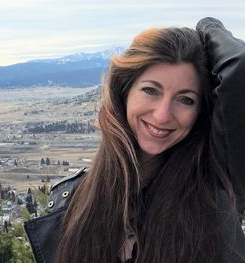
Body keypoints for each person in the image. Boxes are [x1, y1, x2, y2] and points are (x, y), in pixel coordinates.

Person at [24, 17, 245, 263]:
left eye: (186, 100)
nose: (162, 115)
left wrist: (209, 25)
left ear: (199, 112)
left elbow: (240, 68)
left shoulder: (213, 193)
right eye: (151, 90)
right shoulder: (75, 199)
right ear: (125, 92)